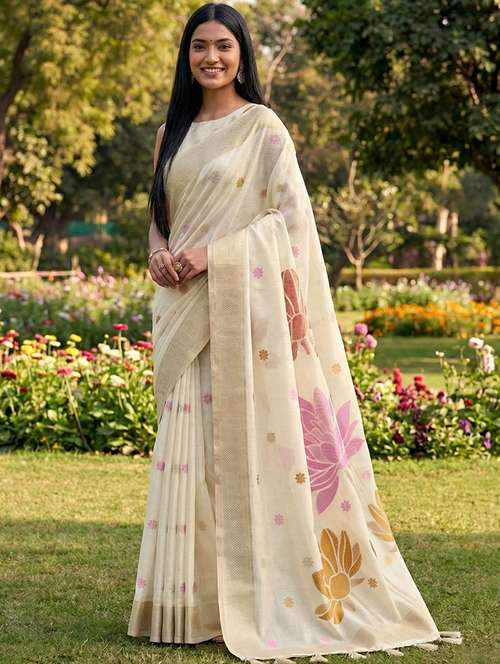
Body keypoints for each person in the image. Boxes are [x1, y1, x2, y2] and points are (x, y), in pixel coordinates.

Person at [127, 3, 462, 661]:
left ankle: (252, 599)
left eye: (223, 46)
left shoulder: (263, 127)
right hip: (182, 307)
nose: (211, 58)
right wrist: (158, 251)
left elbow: (289, 223)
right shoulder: (171, 132)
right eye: (200, 47)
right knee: (191, 454)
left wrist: (211, 255)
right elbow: (159, 215)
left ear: (241, 55)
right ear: (186, 56)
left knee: (240, 453)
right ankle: (186, 605)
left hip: (238, 309)